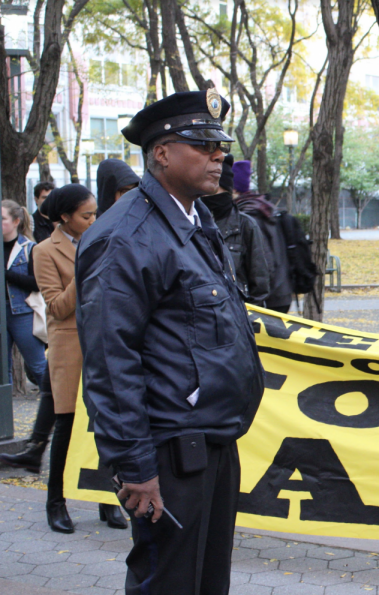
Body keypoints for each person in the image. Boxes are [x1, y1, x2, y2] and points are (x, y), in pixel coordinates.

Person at [76, 89, 265, 594]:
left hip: (211, 445)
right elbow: (110, 361)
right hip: (167, 454)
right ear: (161, 153)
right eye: (203, 145)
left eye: (220, 146)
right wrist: (136, 467)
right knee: (170, 583)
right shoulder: (127, 236)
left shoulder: (195, 219)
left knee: (206, 582)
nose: (219, 155)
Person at [32, 185, 126, 533]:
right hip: (70, 347)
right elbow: (55, 307)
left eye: (95, 214)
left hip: (104, 343)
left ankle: (108, 501)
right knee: (68, 428)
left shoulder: (103, 240)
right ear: (65, 217)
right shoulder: (44, 251)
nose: (93, 220)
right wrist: (86, 266)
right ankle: (55, 502)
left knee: (107, 427)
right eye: (86, 215)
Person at [202, 155, 270, 306]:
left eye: (214, 188)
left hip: (238, 315)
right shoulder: (191, 221)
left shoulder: (246, 225)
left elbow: (259, 283)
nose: (206, 195)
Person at [233, 160, 294, 313]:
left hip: (270, 298)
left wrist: (258, 298)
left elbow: (264, 262)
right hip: (281, 291)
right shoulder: (262, 207)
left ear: (233, 189)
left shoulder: (249, 215)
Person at [2, 200, 47, 386]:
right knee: (2, 371)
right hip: (2, 312)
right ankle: (5, 413)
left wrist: (6, 275)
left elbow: (37, 283)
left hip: (23, 313)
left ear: (16, 221)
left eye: (2, 218)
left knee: (38, 366)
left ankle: (57, 408)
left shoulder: (29, 248)